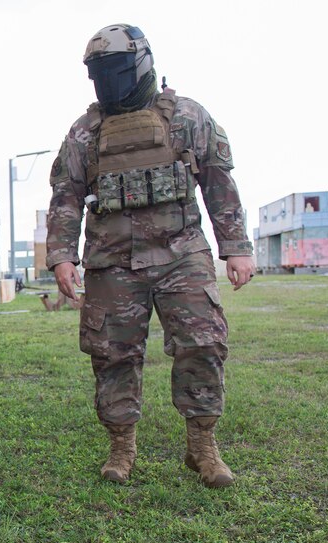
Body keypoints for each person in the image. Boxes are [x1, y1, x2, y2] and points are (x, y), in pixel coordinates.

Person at [46, 24, 255, 487]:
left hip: (183, 254)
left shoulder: (187, 116)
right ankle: (122, 446)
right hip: (111, 261)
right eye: (100, 72)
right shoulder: (85, 132)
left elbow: (219, 185)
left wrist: (236, 247)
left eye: (116, 69)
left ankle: (202, 446)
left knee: (202, 345)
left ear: (140, 64)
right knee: (113, 354)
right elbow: (66, 197)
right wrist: (62, 256)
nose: (110, 80)